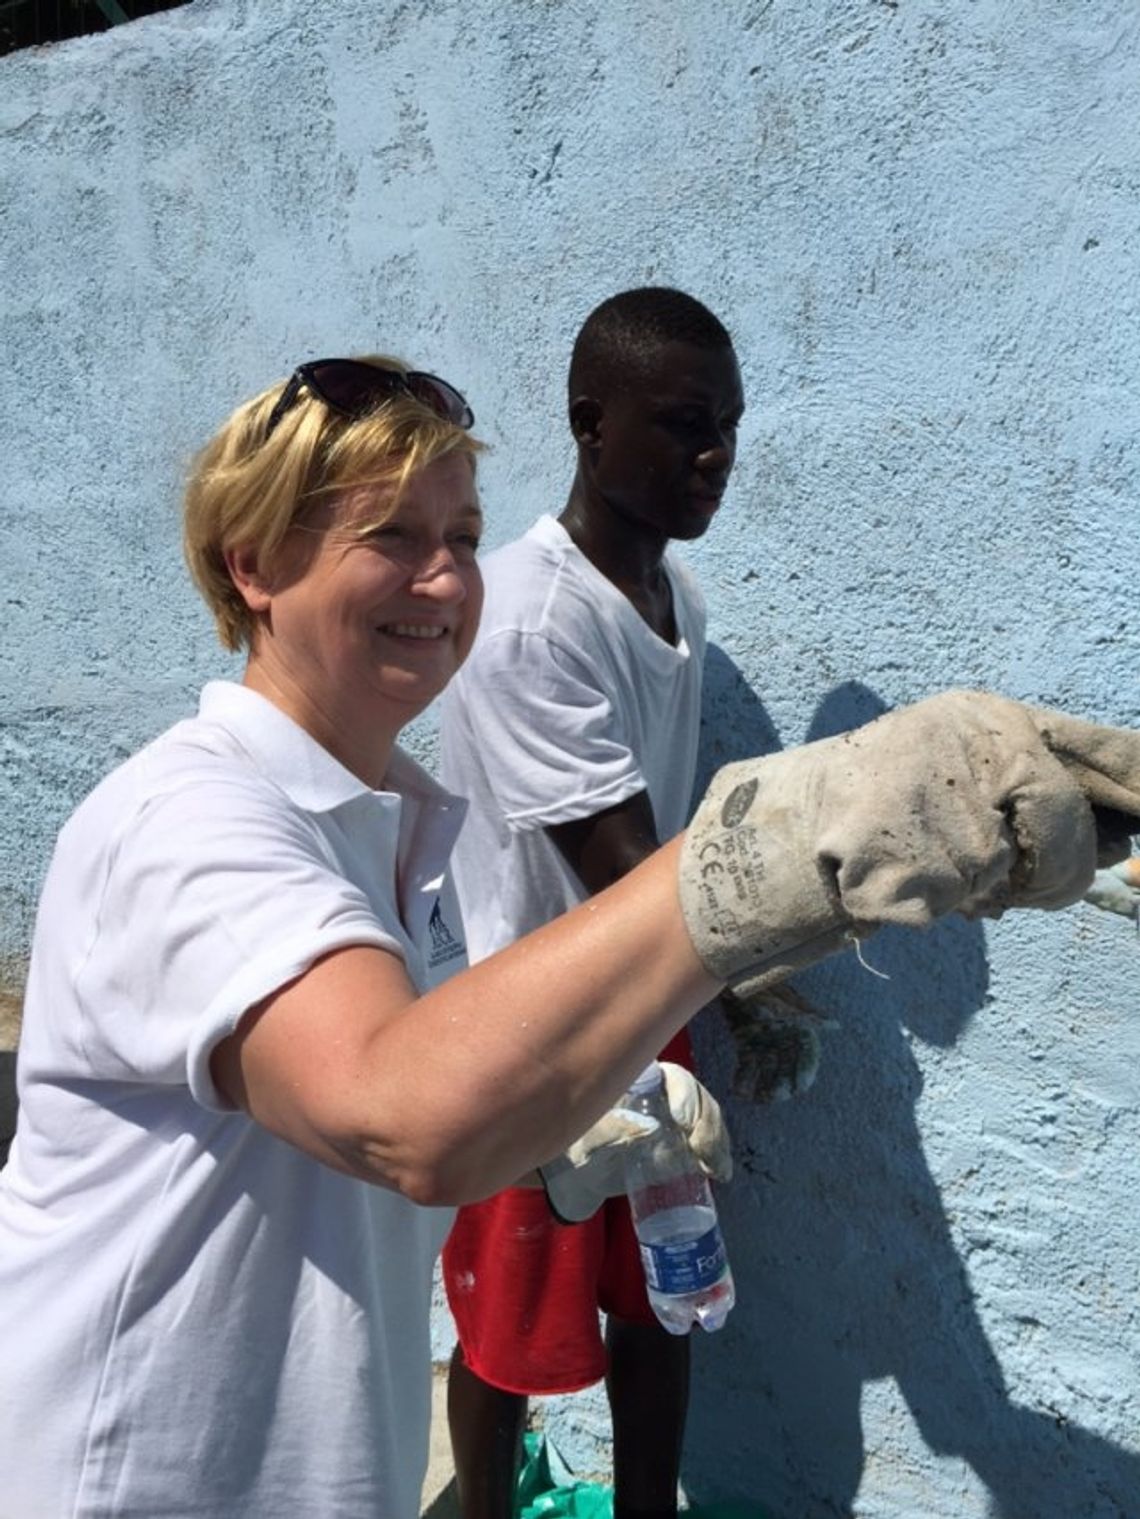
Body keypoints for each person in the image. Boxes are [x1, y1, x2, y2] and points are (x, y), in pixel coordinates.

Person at [0, 354, 1135, 1519]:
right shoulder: (189, 821)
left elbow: (376, 1096)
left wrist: (564, 1120)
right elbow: (400, 1112)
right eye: (392, 536)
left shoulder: (389, 825)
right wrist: (783, 843)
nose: (447, 579)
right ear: (253, 565)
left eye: (462, 534)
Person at [438, 287, 744, 1519]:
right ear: (589, 423)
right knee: (508, 1330)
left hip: (647, 994)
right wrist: (777, 929)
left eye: (727, 426)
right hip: (528, 1026)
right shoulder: (525, 618)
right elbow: (625, 862)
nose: (715, 455)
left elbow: (655, 861)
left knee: (663, 1290)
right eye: (683, 424)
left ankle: (649, 1507)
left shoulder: (679, 599)